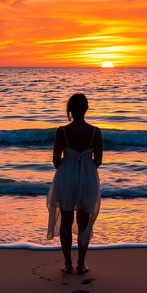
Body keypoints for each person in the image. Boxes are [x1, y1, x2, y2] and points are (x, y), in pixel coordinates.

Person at [47, 93, 103, 274]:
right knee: (84, 221)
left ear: (70, 110)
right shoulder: (95, 131)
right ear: (86, 108)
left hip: (67, 175)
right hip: (87, 176)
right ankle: (81, 264)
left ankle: (67, 264)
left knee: (66, 219)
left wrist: (68, 167)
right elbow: (98, 160)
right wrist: (86, 167)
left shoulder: (62, 131)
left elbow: (56, 160)